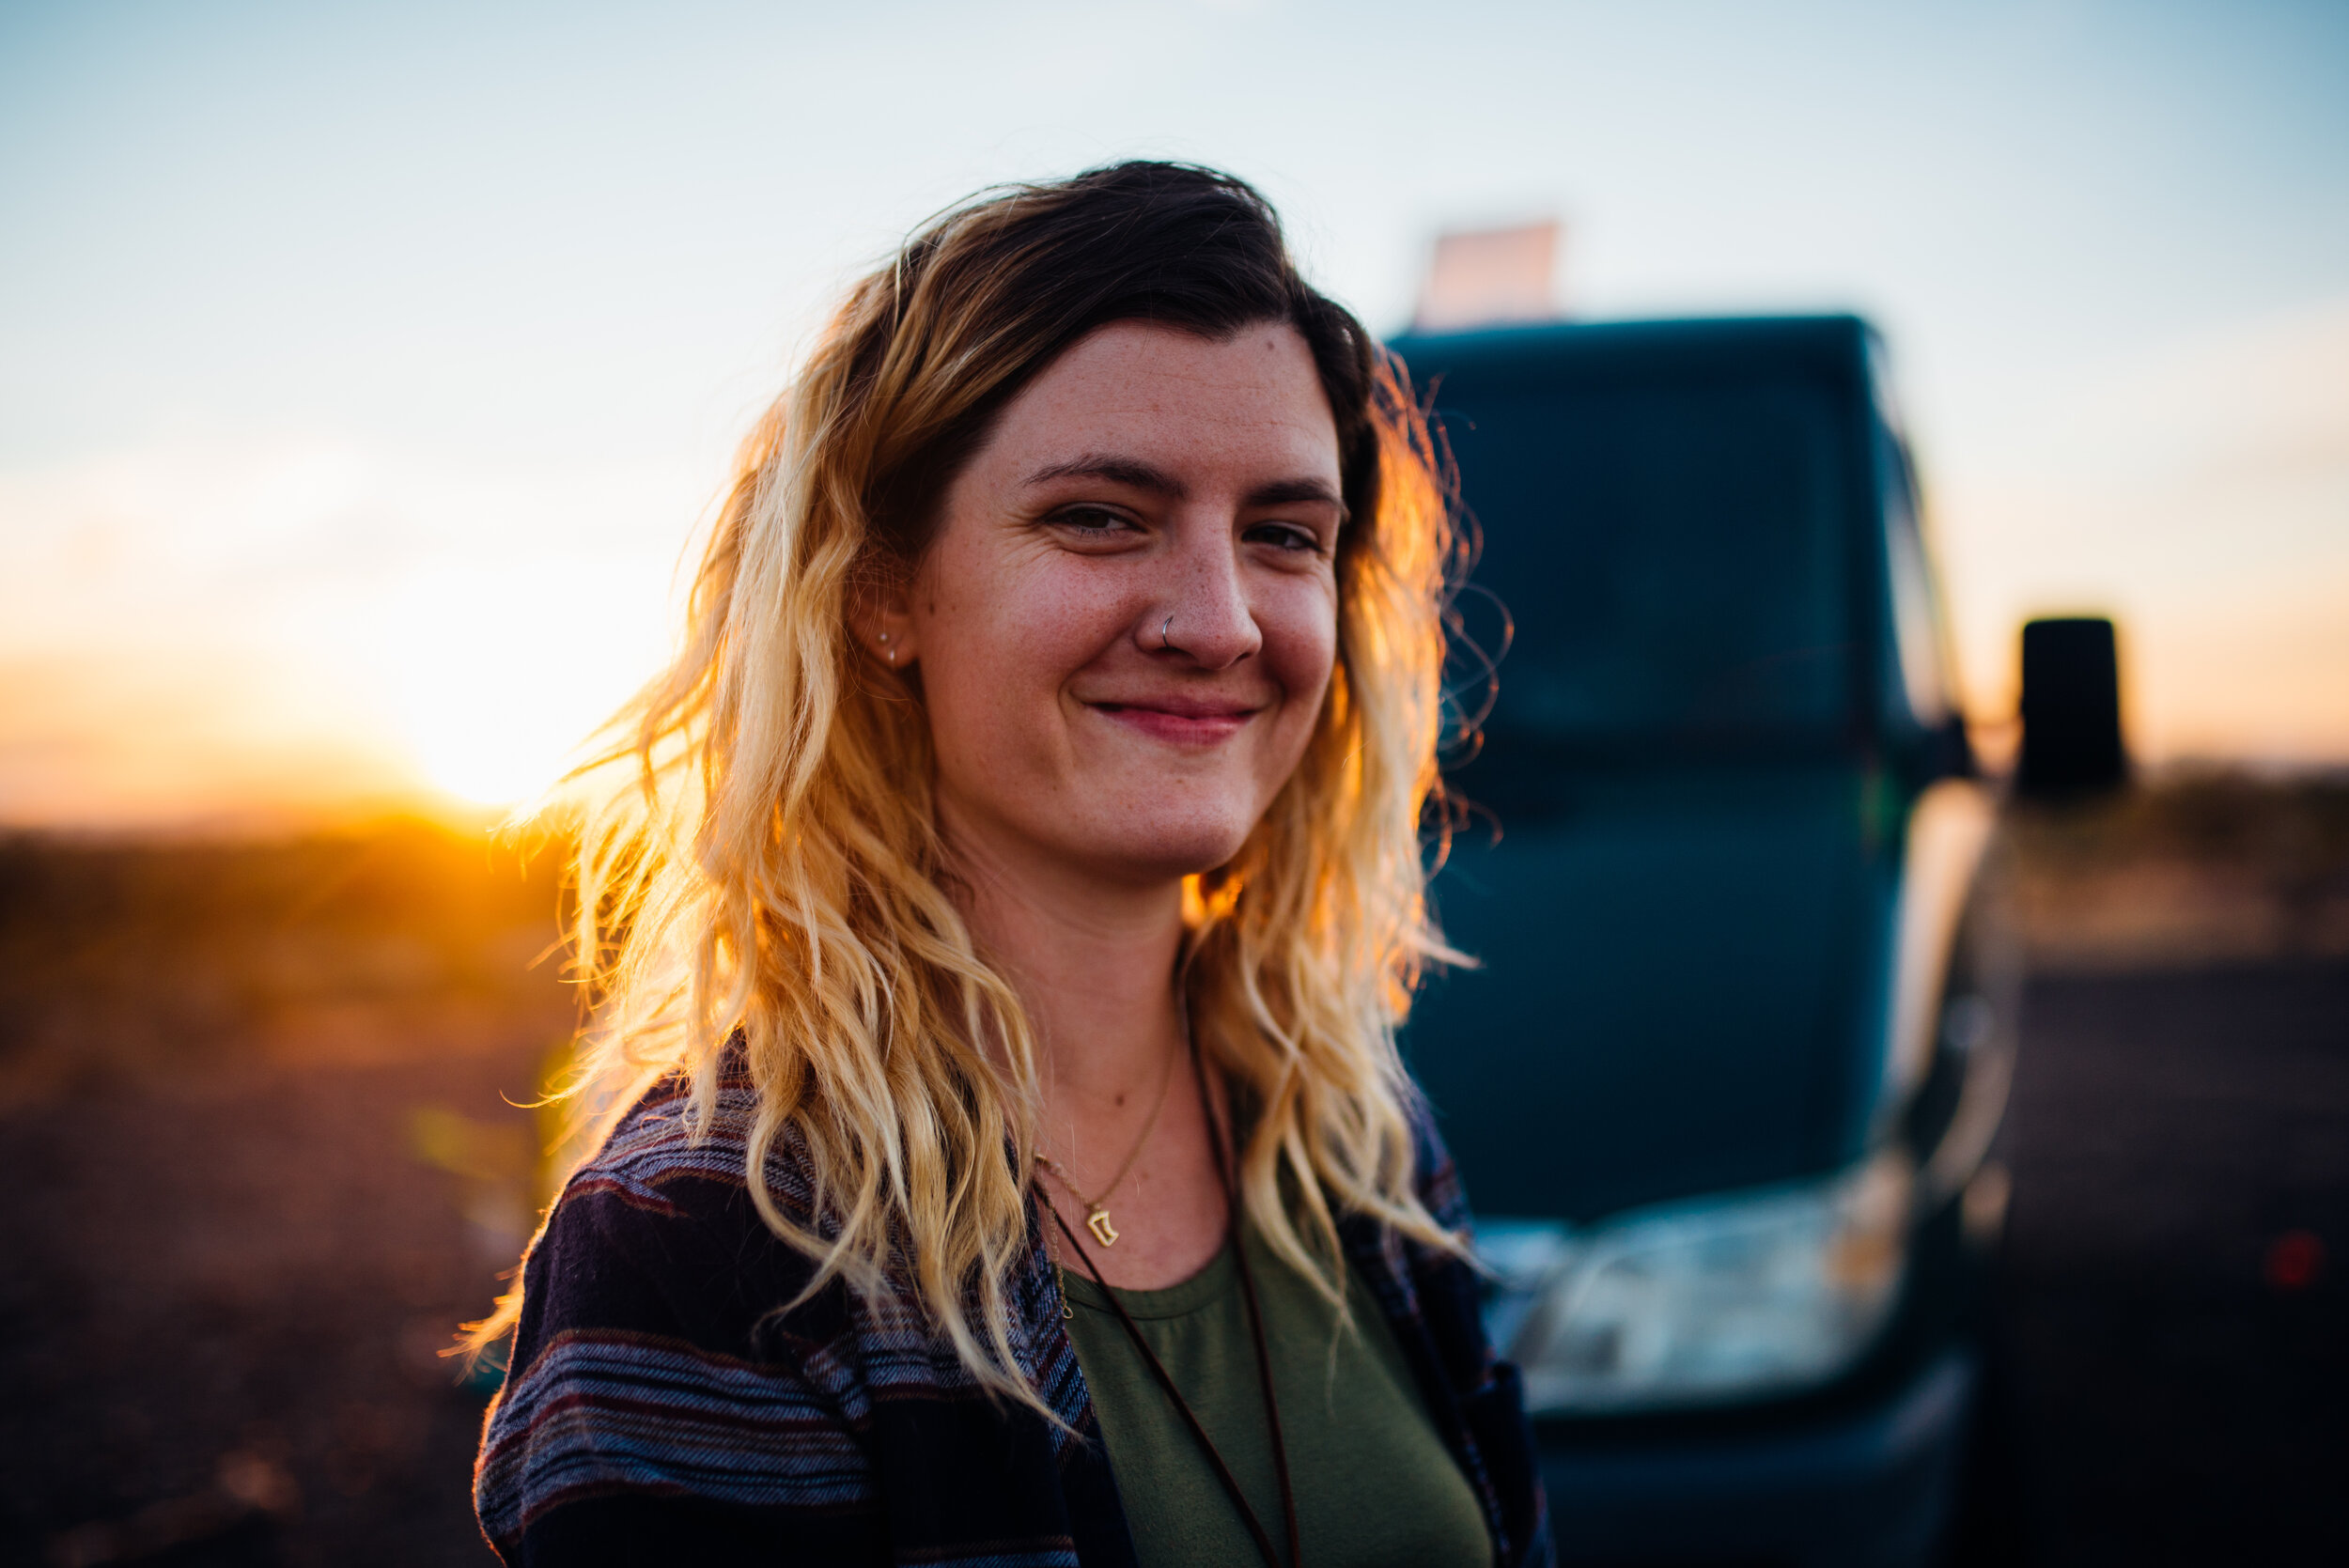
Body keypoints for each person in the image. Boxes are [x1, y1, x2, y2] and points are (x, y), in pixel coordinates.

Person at [471, 161, 1550, 1568]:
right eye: (1101, 514)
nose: (1220, 620)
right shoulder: (712, 1240)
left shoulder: (1351, 1136)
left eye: (1284, 534)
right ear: (880, 590)